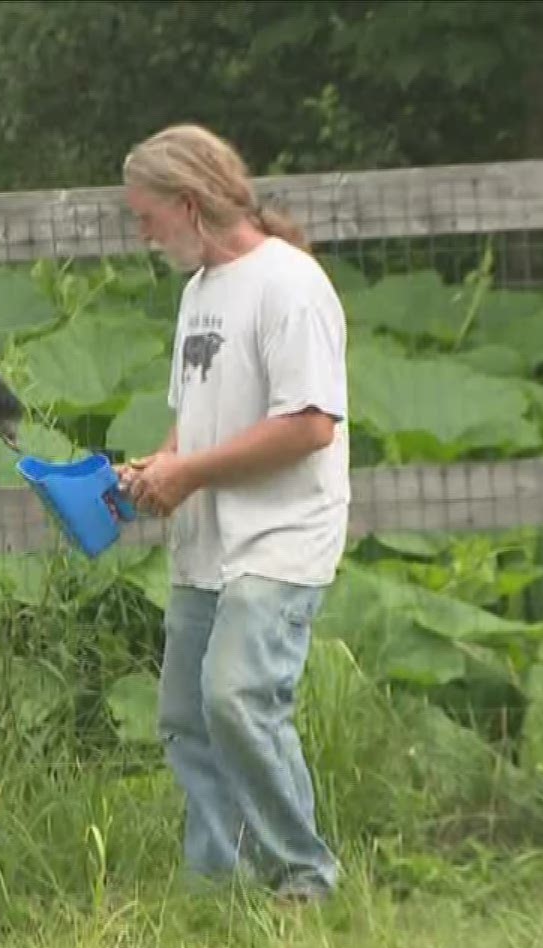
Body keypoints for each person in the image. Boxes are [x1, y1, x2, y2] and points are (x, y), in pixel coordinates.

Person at [113, 123, 350, 904]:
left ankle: (302, 878)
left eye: (148, 216)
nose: (143, 233)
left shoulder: (292, 286)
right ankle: (218, 884)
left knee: (238, 697)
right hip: (207, 540)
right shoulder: (200, 292)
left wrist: (191, 472)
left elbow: (310, 424)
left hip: (280, 539)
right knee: (186, 714)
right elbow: (200, 413)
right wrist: (159, 466)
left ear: (189, 203)